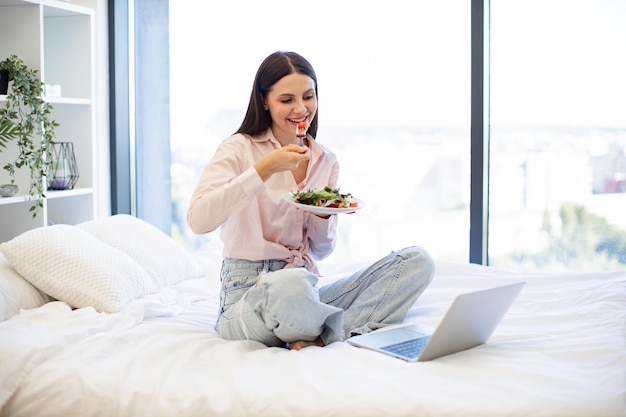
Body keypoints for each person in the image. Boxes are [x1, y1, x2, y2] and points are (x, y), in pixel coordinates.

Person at [187, 51, 434, 350]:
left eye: (308, 96)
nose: (301, 109)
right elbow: (199, 220)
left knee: (416, 261)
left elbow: (321, 250)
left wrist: (325, 214)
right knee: (289, 286)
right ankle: (332, 326)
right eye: (287, 100)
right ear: (264, 101)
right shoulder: (238, 148)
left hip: (303, 289)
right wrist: (264, 169)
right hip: (247, 297)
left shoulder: (325, 160)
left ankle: (324, 334)